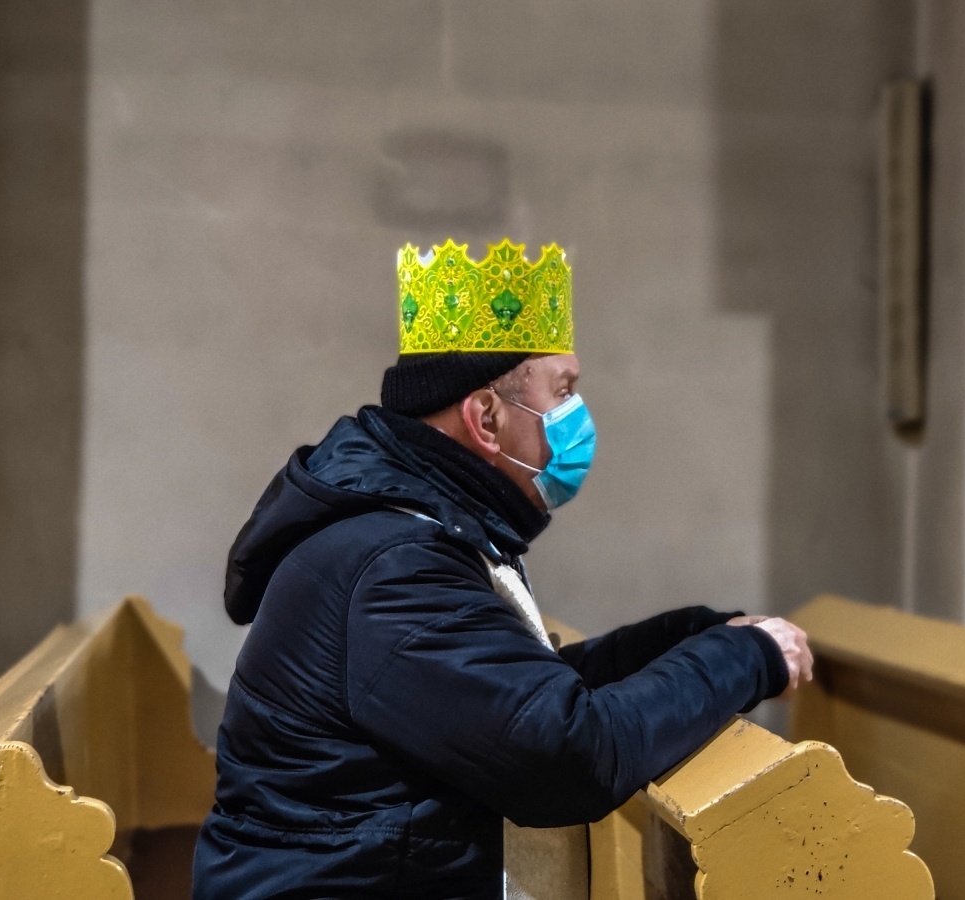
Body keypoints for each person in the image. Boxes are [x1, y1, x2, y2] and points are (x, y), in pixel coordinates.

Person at [192, 239, 814, 900]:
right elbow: (565, 756)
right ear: (485, 418)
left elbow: (517, 697)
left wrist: (691, 635)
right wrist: (744, 657)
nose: (578, 418)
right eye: (563, 392)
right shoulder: (394, 566)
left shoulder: (410, 532)